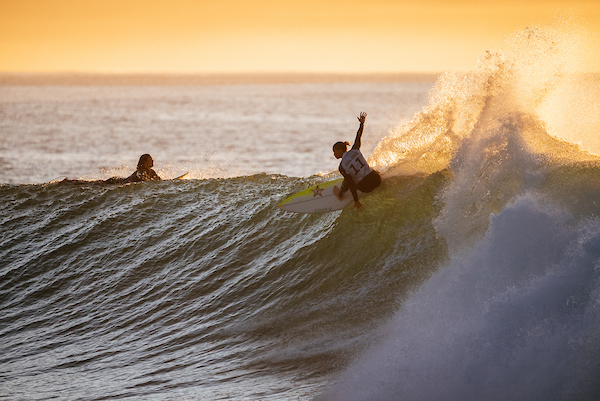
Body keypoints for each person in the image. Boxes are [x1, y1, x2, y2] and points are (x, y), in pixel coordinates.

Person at [332, 112, 381, 211]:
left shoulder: (342, 167)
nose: (334, 154)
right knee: (370, 168)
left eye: (335, 152)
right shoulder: (355, 149)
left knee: (347, 179)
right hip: (377, 180)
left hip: (366, 187)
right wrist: (361, 123)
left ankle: (340, 193)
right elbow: (358, 135)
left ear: (340, 151)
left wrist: (356, 201)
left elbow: (350, 183)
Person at [60, 154, 161, 185]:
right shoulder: (141, 171)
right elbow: (143, 180)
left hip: (122, 181)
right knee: (96, 184)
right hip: (119, 181)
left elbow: (159, 181)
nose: (153, 160)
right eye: (150, 159)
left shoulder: (151, 171)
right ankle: (72, 182)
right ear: (145, 162)